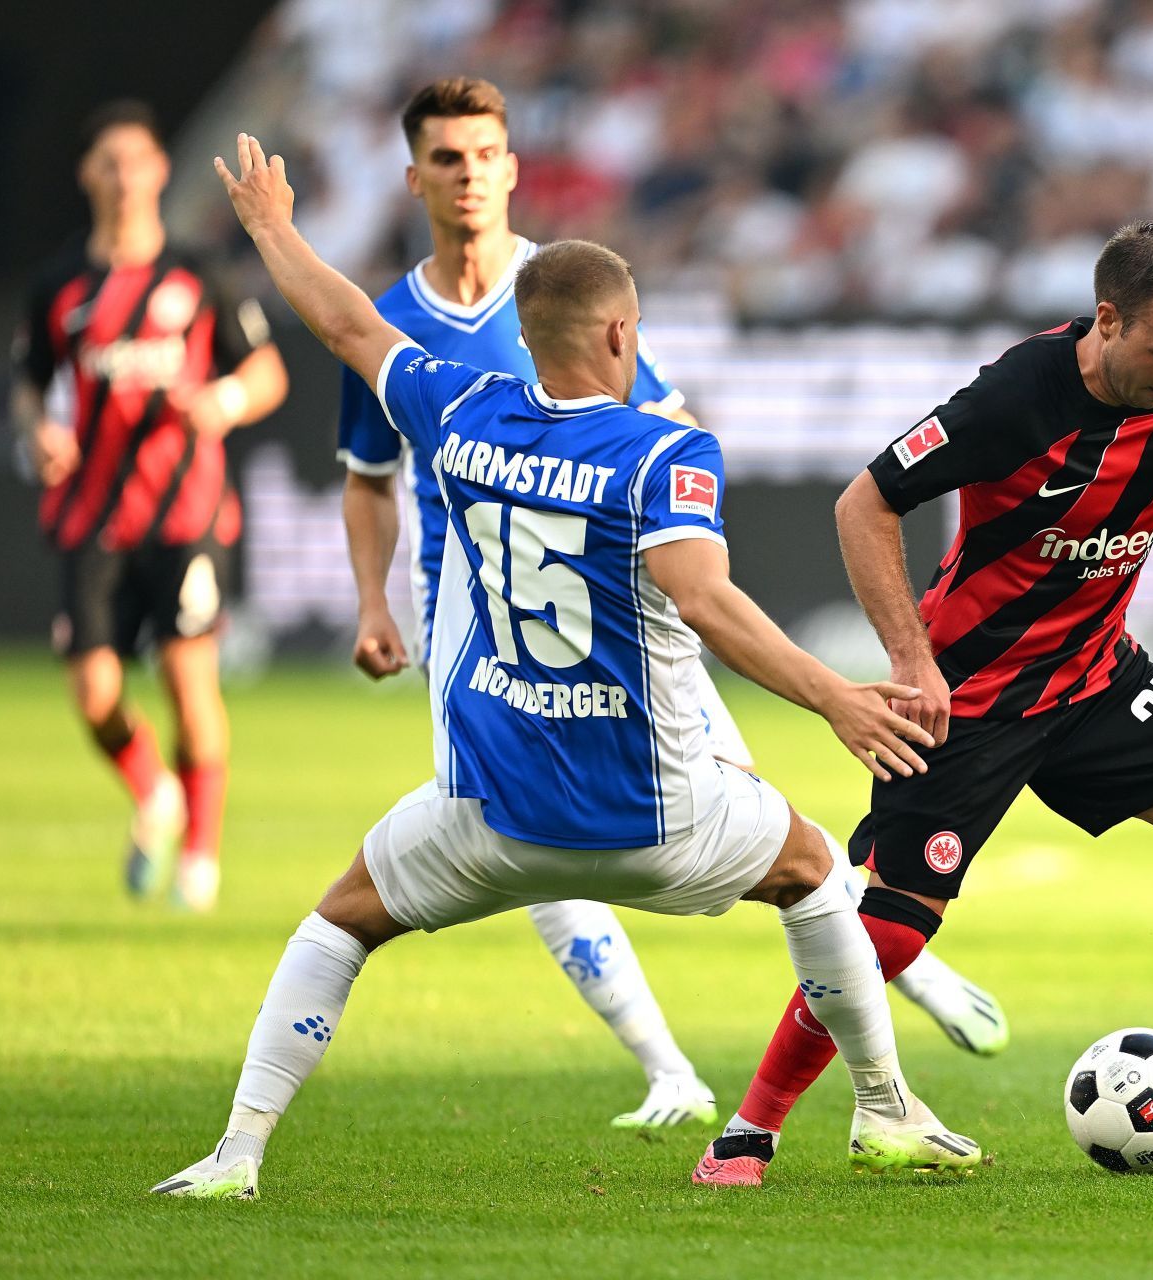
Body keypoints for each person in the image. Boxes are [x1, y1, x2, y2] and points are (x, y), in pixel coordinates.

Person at [151, 134, 980, 1200]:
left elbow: (348, 321)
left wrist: (271, 226)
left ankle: (237, 1152)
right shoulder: (663, 451)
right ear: (625, 331)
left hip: (493, 819)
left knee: (340, 919)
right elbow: (706, 598)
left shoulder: (457, 407)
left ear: (526, 339)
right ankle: (884, 1107)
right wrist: (833, 694)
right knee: (816, 870)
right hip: (663, 821)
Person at [334, 78, 1007, 1131]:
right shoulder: (394, 322)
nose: (468, 176)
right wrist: (375, 599)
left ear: (511, 166)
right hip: (475, 618)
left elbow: (661, 417)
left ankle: (886, 963)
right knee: (537, 834)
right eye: (447, 158)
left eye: (484, 154)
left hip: (627, 606)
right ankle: (670, 1065)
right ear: (413, 175)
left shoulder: (566, 291)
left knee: (731, 793)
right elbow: (370, 474)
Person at [694, 221, 1153, 1185]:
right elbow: (863, 504)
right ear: (1108, 320)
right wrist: (911, 660)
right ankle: (746, 1134)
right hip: (974, 699)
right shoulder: (1013, 399)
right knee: (890, 930)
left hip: (1095, 678)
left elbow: (1151, 449)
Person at [10, 101, 289, 912]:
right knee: (94, 695)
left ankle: (199, 857)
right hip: (93, 514)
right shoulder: (59, 285)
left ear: (162, 171)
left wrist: (221, 401)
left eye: (138, 159)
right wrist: (41, 433)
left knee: (187, 677)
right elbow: (29, 383)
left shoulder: (199, 272)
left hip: (185, 514)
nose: (126, 176)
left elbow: (266, 372)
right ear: (88, 176)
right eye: (110, 162)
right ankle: (154, 793)